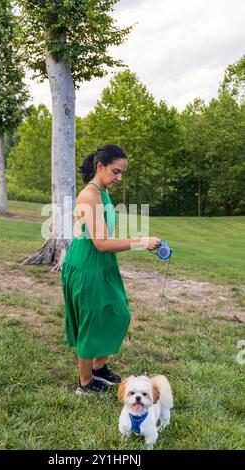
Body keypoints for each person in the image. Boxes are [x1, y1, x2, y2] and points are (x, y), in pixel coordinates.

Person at [61, 144, 161, 394]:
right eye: (116, 172)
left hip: (102, 264)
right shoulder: (89, 195)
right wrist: (141, 242)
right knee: (91, 321)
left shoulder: (102, 191)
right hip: (86, 266)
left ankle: (98, 367)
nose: (119, 178)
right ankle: (84, 383)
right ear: (100, 166)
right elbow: (101, 242)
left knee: (119, 313)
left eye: (122, 173)